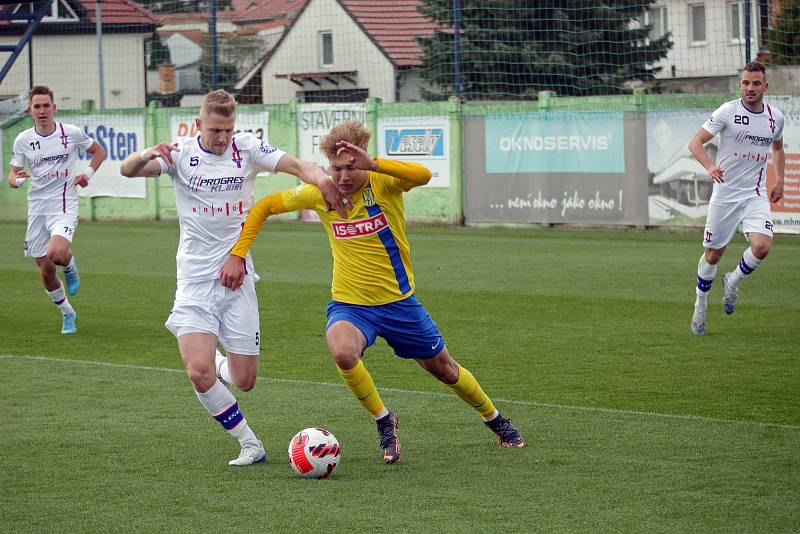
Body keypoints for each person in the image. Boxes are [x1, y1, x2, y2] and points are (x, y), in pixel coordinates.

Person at [220, 120, 524, 464]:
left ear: (363, 160)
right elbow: (264, 207)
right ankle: (384, 421)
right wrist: (238, 253)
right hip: (351, 306)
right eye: (337, 168)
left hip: (399, 304)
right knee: (342, 352)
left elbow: (423, 175)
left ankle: (496, 420)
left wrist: (375, 164)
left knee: (446, 371)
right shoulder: (322, 193)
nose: (344, 176)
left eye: (351, 167)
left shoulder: (383, 183)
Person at [119, 89, 347, 466]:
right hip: (193, 281)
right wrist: (146, 153)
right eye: (214, 130)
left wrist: (321, 180)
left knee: (245, 380)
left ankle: (222, 362)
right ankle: (250, 443)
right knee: (198, 372)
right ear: (199, 124)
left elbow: (298, 165)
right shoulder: (180, 154)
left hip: (237, 277)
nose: (222, 138)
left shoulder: (247, 148)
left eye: (228, 129)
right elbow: (127, 170)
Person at [687, 62, 785, 335]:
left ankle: (733, 280)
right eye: (745, 83)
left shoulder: (775, 117)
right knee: (713, 254)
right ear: (739, 85)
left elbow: (777, 149)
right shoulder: (728, 112)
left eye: (755, 83)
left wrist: (780, 180)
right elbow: (695, 142)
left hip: (755, 194)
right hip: (726, 194)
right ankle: (701, 305)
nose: (750, 88)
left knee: (763, 246)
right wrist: (710, 166)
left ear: (765, 87)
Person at [7, 85, 107, 335]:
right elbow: (12, 175)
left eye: (46, 105)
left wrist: (87, 173)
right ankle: (68, 313)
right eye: (37, 106)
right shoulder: (23, 140)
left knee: (57, 253)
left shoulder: (70, 133)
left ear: (54, 107)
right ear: (30, 110)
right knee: (46, 270)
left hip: (64, 204)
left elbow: (99, 151)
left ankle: (71, 266)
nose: (42, 111)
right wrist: (17, 180)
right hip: (37, 208)